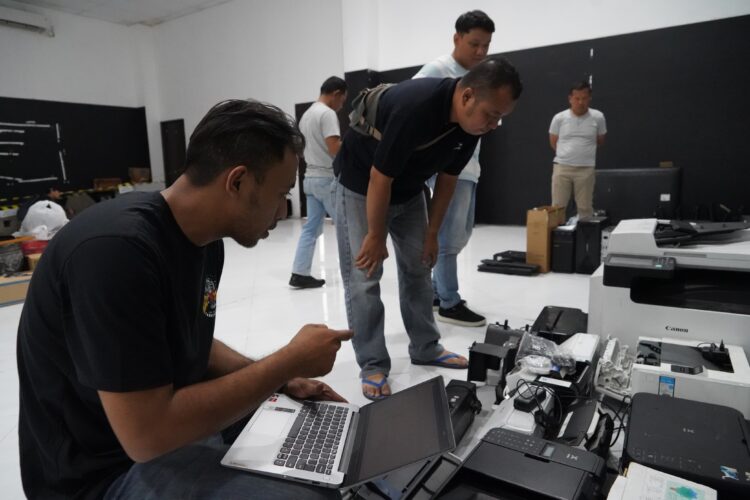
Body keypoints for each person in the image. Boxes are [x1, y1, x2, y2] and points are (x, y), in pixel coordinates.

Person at [17, 99, 353, 500]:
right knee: (312, 496)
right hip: (102, 474)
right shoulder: (115, 252)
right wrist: (288, 361)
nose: (282, 210)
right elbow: (147, 437)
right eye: (281, 193)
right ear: (237, 182)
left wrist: (282, 380)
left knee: (322, 451)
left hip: (156, 438)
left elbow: (188, 341)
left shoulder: (204, 243)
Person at [334, 55, 522, 400]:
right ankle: (373, 363)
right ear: (467, 96)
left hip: (409, 191)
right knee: (365, 276)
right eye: (491, 114)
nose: (494, 124)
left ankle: (426, 346)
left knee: (420, 267)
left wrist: (432, 234)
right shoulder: (416, 106)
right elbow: (379, 177)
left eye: (500, 118)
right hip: (362, 186)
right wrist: (375, 235)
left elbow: (448, 180)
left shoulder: (471, 128)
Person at [413, 10, 495, 327]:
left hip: (469, 166)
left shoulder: (480, 76)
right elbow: (409, 105)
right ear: (457, 38)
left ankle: (437, 292)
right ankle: (449, 301)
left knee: (460, 235)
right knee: (448, 238)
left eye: (486, 45)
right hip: (447, 168)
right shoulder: (438, 70)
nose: (480, 51)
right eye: (474, 44)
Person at [289, 76, 348, 289]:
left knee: (311, 228)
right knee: (346, 227)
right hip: (327, 180)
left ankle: (299, 272)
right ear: (336, 94)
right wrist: (352, 148)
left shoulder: (306, 115)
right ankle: (353, 274)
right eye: (342, 100)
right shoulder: (327, 114)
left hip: (310, 178)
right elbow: (334, 148)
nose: (341, 106)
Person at [549, 80, 607, 219]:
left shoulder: (598, 117)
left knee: (585, 207)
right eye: (577, 98)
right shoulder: (559, 118)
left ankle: (585, 234)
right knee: (557, 207)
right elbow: (553, 142)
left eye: (584, 98)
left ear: (589, 98)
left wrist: (583, 152)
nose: (581, 102)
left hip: (586, 169)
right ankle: (557, 233)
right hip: (562, 168)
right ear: (570, 99)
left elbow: (600, 141)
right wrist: (568, 154)